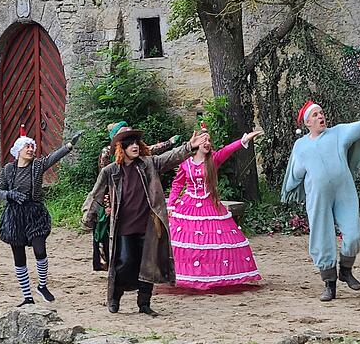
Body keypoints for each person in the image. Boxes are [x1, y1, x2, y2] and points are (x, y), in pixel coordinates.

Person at [82, 127, 210, 316]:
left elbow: (171, 157)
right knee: (124, 262)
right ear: (121, 148)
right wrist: (88, 215)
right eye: (130, 144)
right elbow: (96, 195)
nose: (134, 146)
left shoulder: (148, 164)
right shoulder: (111, 171)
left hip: (148, 225)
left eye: (136, 143)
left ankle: (144, 303)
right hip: (123, 226)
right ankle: (115, 296)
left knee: (148, 265)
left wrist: (189, 146)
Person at [280, 101, 360, 301]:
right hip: (318, 197)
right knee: (322, 238)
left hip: (344, 193)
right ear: (307, 123)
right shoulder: (301, 145)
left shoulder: (338, 133)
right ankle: (329, 284)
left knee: (354, 234)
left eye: (321, 113)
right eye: (315, 115)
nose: (320, 117)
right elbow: (295, 173)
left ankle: (346, 270)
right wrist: (291, 187)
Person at [167, 123, 263, 289]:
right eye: (204, 139)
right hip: (189, 205)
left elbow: (228, 149)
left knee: (213, 241)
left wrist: (244, 139)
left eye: (209, 140)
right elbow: (177, 184)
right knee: (189, 242)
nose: (207, 142)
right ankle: (190, 275)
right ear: (196, 143)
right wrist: (171, 204)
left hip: (209, 204)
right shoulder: (186, 163)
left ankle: (213, 275)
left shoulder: (214, 159)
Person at [0, 124, 82, 306]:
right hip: (14, 216)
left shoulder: (37, 166)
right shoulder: (8, 169)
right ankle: (27, 297)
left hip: (35, 213)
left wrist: (69, 146)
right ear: (18, 150)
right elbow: (0, 190)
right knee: (19, 257)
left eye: (32, 147)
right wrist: (10, 194)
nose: (30, 149)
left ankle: (42, 285)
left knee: (40, 250)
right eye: (27, 147)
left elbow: (53, 157)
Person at [92, 121, 180, 271]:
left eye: (135, 141)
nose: (134, 145)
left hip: (136, 208)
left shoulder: (141, 160)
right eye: (129, 139)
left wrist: (170, 142)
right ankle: (108, 263)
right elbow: (104, 182)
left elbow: (152, 149)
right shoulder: (107, 153)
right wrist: (107, 205)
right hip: (113, 198)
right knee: (106, 234)